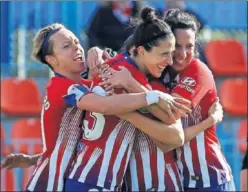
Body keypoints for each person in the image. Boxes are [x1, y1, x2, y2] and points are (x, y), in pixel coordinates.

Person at [1, 23, 186, 192]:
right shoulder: (61, 87)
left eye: (76, 42)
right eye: (66, 47)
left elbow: (70, 144)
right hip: (51, 183)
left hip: (75, 179)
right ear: (52, 60)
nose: (76, 48)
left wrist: (34, 159)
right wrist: (153, 96)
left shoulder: (86, 86)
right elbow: (104, 106)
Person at [64, 7, 193, 192]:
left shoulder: (112, 65)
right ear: (141, 51)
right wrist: (148, 93)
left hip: (87, 176)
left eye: (171, 54)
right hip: (97, 180)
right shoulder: (131, 75)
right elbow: (171, 122)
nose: (170, 61)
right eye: (164, 54)